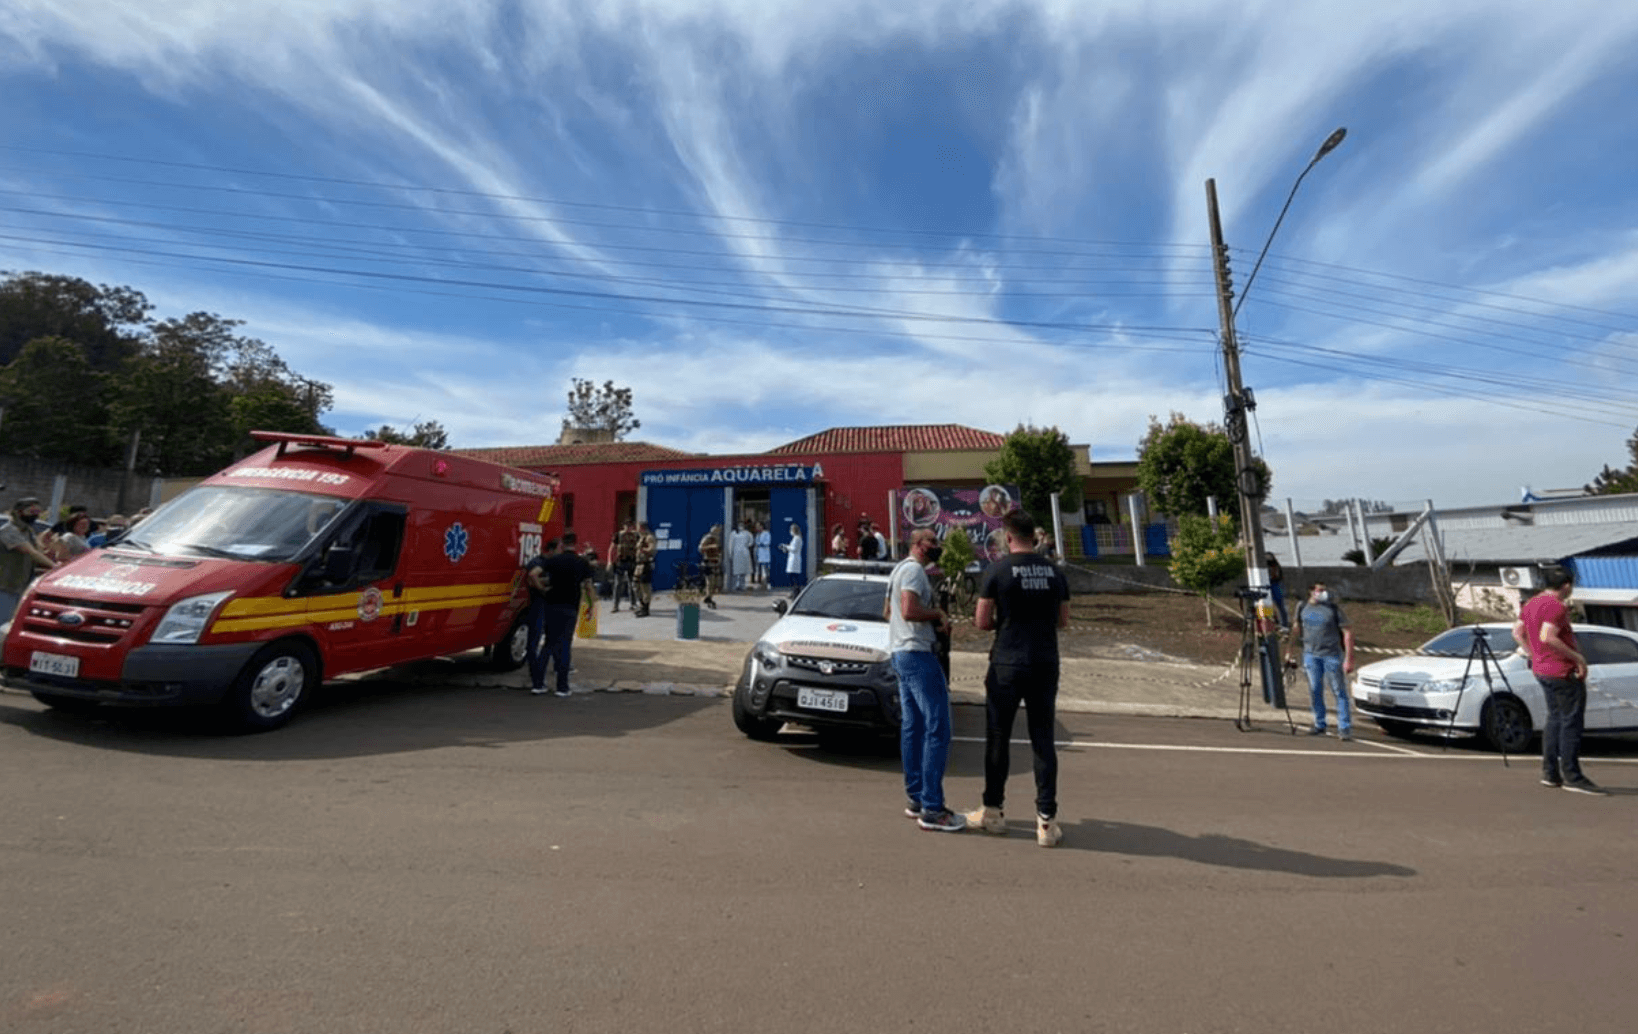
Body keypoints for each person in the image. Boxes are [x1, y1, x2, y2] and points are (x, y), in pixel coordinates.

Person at [966, 511, 1072, 847]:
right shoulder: (1054, 571)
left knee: (998, 737)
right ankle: (1046, 821)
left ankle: (993, 811)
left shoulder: (997, 570)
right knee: (1043, 740)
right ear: (1035, 536)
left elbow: (981, 621)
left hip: (1007, 663)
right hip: (1044, 662)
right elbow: (1063, 620)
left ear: (1008, 537)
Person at [890, 528, 963, 832]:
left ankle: (916, 797)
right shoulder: (915, 572)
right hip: (918, 655)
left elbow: (888, 612)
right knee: (937, 726)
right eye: (933, 542)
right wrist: (937, 616)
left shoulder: (897, 570)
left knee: (914, 726)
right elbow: (908, 610)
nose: (937, 547)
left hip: (900, 651)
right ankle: (933, 807)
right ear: (918, 546)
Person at [1514, 570, 1606, 795]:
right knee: (1570, 722)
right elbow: (1549, 635)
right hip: (1561, 670)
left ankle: (1550, 772)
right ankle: (1572, 775)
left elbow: (1517, 632)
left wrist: (1532, 654)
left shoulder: (1532, 603)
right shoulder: (1557, 606)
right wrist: (1578, 658)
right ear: (1566, 585)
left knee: (1554, 719)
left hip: (1541, 669)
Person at [526, 532, 596, 697]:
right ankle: (562, 688)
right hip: (570, 608)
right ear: (575, 544)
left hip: (551, 606)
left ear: (562, 544)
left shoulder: (553, 560)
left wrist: (542, 589)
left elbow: (533, 574)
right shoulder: (582, 563)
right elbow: (588, 587)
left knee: (548, 645)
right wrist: (591, 606)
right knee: (565, 646)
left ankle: (538, 685)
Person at [1290, 582, 1355, 741]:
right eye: (1320, 590)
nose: (1323, 593)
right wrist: (1289, 649)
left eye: (1325, 590)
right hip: (1311, 654)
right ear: (1311, 591)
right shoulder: (1302, 606)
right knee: (1315, 689)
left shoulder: (1333, 608)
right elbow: (1296, 627)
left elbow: (1348, 631)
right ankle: (1320, 723)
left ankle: (1344, 726)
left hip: (1331, 654)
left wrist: (1349, 658)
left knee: (1338, 690)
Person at [1, 497, 59, 623]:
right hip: (5, 587)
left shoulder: (28, 531)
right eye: (31, 512)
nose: (34, 516)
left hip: (20, 585)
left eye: (37, 513)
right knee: (3, 623)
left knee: (12, 623)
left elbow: (40, 552)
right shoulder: (8, 531)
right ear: (18, 512)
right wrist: (56, 568)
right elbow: (32, 552)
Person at [611, 521, 639, 612]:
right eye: (626, 526)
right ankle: (615, 605)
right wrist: (610, 561)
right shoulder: (618, 535)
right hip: (621, 562)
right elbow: (612, 547)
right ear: (623, 526)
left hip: (632, 561)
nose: (628, 528)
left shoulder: (636, 536)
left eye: (630, 526)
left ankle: (633, 604)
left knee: (633, 584)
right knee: (618, 584)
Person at [697, 525, 722, 609]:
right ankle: (708, 598)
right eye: (716, 532)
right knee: (710, 582)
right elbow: (700, 548)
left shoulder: (717, 539)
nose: (717, 533)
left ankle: (709, 597)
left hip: (716, 562)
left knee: (715, 583)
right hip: (708, 562)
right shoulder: (707, 538)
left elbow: (718, 550)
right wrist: (710, 547)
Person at [779, 524, 805, 597]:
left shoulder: (797, 538)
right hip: (793, 559)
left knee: (794, 577)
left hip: (795, 560)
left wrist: (786, 546)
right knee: (792, 577)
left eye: (791, 530)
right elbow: (791, 548)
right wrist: (785, 548)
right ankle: (794, 592)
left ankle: (796, 593)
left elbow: (794, 549)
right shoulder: (795, 538)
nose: (790, 531)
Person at [1266, 553, 1290, 629]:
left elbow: (1277, 575)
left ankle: (1284, 624)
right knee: (1266, 604)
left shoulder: (1275, 566)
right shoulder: (1264, 566)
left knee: (1281, 605)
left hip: (1276, 584)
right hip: (1268, 584)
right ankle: (1271, 622)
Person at [728, 521, 754, 592]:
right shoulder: (733, 533)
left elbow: (751, 542)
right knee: (736, 571)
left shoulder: (748, 533)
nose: (741, 526)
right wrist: (730, 553)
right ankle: (735, 585)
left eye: (742, 525)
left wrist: (747, 545)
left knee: (743, 571)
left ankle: (742, 586)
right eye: (740, 525)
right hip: (736, 553)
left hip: (744, 553)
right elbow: (731, 544)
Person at [753, 521, 771, 589]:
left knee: (766, 570)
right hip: (759, 553)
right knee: (759, 569)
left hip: (765, 554)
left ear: (761, 526)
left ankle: (768, 583)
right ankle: (761, 583)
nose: (757, 528)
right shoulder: (758, 534)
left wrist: (760, 544)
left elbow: (767, 542)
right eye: (756, 526)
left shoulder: (766, 533)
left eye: (758, 526)